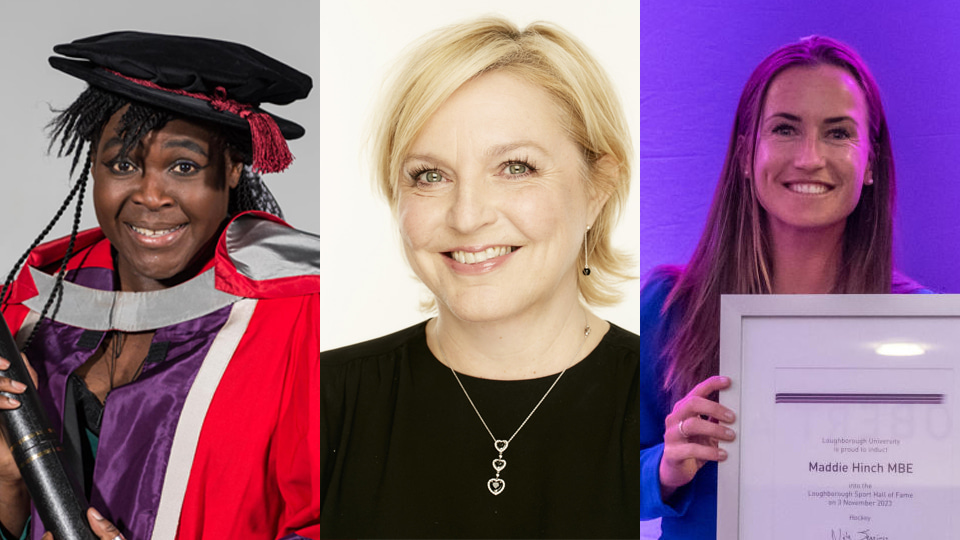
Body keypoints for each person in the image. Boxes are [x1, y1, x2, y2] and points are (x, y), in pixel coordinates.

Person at [319, 17, 638, 538]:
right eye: (430, 175)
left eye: (516, 167)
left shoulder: (660, 407)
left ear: (598, 188)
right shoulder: (316, 402)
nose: (467, 216)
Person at [0, 32, 321, 539]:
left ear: (234, 166)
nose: (151, 195)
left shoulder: (301, 312)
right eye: (123, 164)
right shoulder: (36, 305)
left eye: (184, 166)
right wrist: (8, 482)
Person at [638, 36, 928, 538]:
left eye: (838, 133)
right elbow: (596, 476)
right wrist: (666, 467)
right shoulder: (670, 308)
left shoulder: (926, 330)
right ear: (748, 154)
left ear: (872, 162)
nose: (810, 158)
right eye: (785, 129)